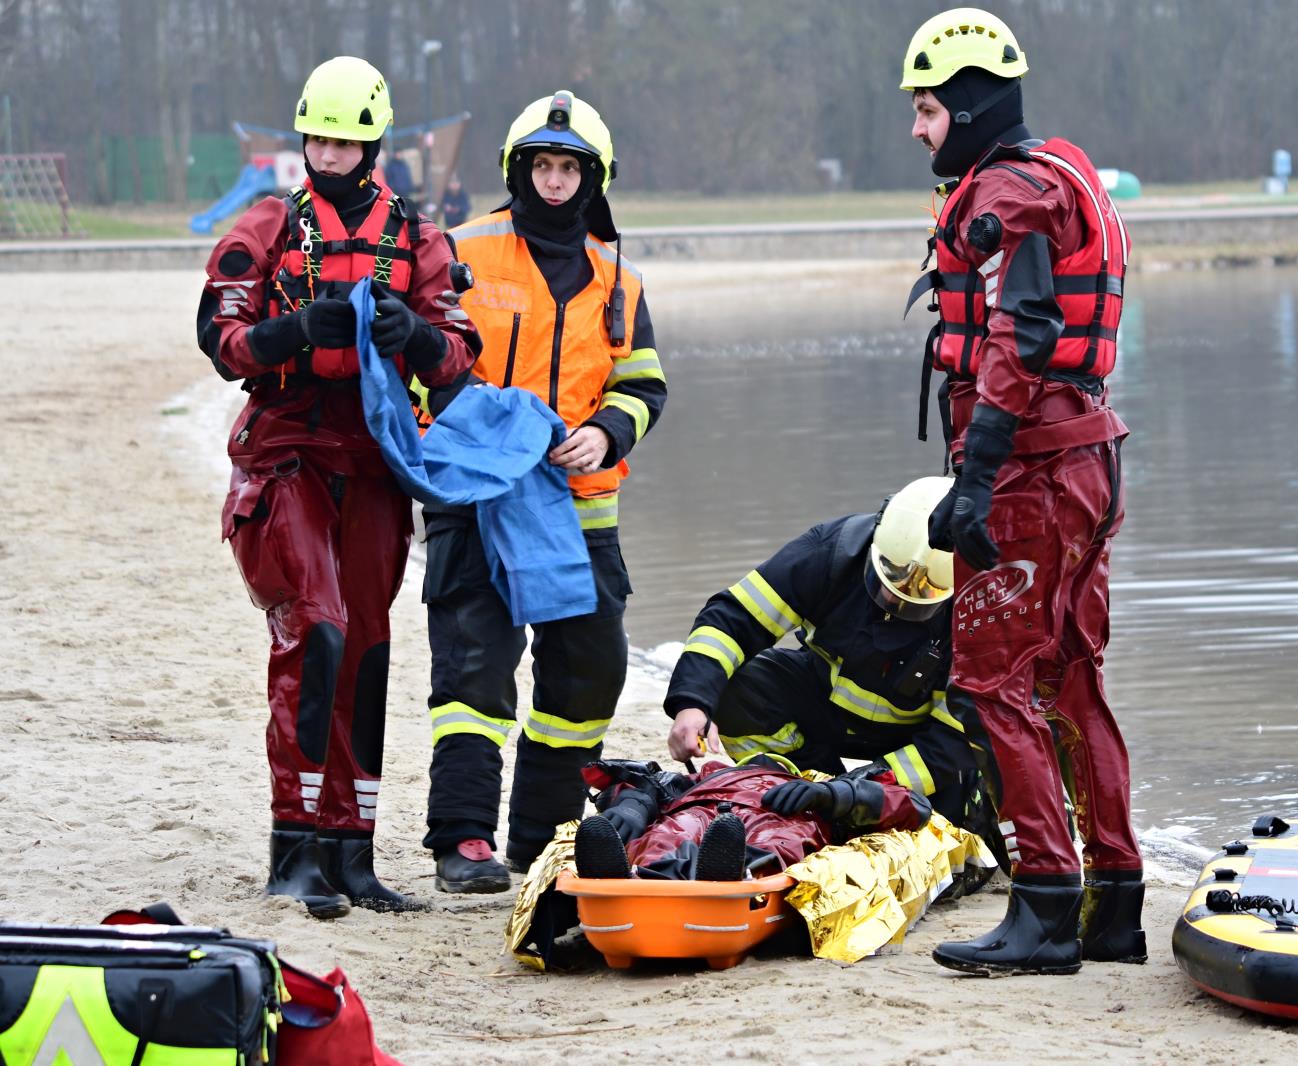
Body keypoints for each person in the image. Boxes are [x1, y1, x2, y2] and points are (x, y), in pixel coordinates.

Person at [196, 56, 480, 917]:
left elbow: (460, 353)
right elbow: (220, 335)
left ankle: (350, 851)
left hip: (373, 461)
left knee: (365, 646)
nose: (326, 152)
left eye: (343, 140)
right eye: (315, 136)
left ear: (372, 144)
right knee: (314, 626)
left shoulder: (419, 237)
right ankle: (294, 849)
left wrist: (417, 341)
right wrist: (291, 331)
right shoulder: (270, 223)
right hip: (287, 451)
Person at [898, 8, 1144, 974]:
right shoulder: (1054, 173)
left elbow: (1022, 335)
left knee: (991, 680)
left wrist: (977, 479)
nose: (917, 129)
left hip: (1034, 474)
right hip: (1086, 460)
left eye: (925, 110)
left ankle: (1044, 903)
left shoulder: (1007, 196)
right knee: (1070, 678)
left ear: (965, 105)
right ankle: (1113, 901)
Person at [423, 90, 667, 893]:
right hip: (476, 499)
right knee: (473, 671)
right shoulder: (462, 250)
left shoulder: (617, 277)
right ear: (517, 170)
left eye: (571, 168)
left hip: (582, 506)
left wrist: (606, 432)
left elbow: (644, 385)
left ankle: (543, 837)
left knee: (588, 673)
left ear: (595, 180)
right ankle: (462, 841)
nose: (556, 182)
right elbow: (421, 365)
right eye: (543, 166)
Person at [663, 477, 982, 833]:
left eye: (920, 593)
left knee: (937, 829)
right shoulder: (832, 551)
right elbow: (733, 618)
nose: (896, 599)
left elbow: (949, 743)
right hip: (826, 709)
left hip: (918, 742)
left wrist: (853, 793)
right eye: (889, 577)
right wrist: (692, 703)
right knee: (740, 692)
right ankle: (802, 793)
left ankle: (839, 800)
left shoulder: (981, 610)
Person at [573, 755, 932, 882]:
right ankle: (634, 874)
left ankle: (732, 870)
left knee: (779, 842)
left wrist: (832, 795)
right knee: (671, 833)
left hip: (785, 813)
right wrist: (633, 806)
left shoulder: (812, 787)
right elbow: (649, 784)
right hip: (703, 803)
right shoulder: (710, 774)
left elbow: (913, 807)